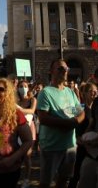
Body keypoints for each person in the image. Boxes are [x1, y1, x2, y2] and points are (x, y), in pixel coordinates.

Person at [36, 59, 84, 188]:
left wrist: (75, 121)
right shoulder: (45, 93)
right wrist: (67, 124)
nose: (65, 71)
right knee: (46, 182)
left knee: (65, 180)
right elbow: (43, 118)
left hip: (70, 146)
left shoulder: (70, 92)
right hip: (52, 146)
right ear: (51, 72)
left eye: (66, 69)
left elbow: (80, 112)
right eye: (60, 69)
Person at [68, 83, 98, 188]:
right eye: (90, 90)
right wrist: (76, 137)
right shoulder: (79, 107)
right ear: (84, 94)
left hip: (93, 147)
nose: (94, 92)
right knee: (76, 174)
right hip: (80, 146)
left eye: (95, 90)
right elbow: (67, 118)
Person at [16, 80, 37, 188]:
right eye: (20, 86)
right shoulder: (16, 100)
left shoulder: (32, 99)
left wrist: (18, 109)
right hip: (17, 130)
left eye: (25, 86)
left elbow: (32, 111)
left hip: (29, 128)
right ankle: (17, 176)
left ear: (28, 88)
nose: (23, 88)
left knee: (27, 155)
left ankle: (27, 179)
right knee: (17, 155)